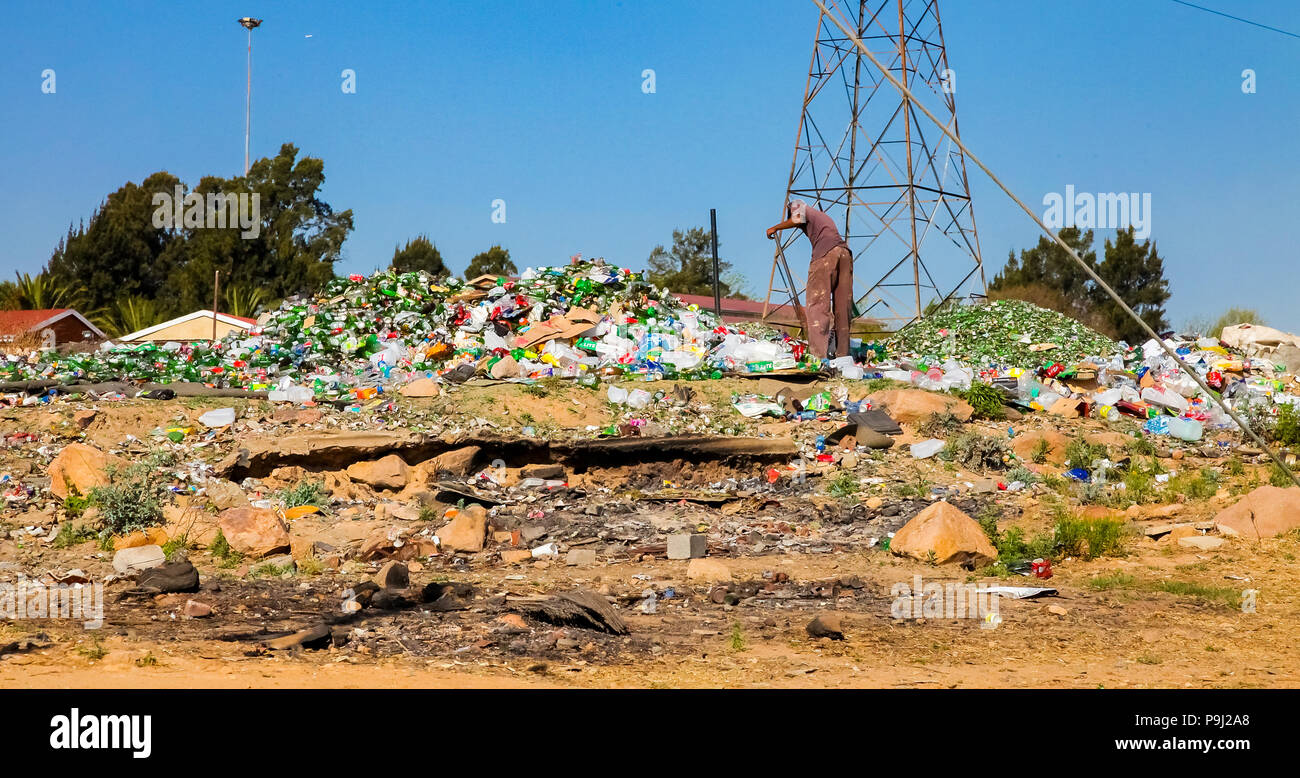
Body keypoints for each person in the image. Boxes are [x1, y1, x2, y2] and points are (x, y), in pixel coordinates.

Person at [766, 199, 852, 359]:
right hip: (844, 253)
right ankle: (843, 357)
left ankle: (818, 357)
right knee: (842, 308)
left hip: (826, 254)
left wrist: (775, 228)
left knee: (817, 305)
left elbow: (797, 218)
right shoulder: (820, 216)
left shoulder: (797, 206)